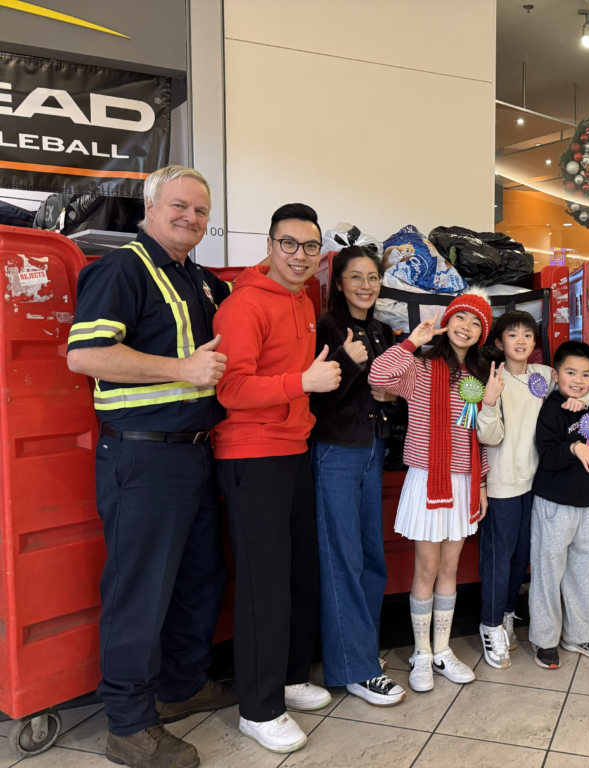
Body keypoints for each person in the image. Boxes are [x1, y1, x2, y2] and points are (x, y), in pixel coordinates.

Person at [66, 165, 237, 768]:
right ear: (151, 206)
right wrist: (182, 370)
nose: (191, 217)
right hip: (141, 456)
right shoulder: (120, 269)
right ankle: (127, 723)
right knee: (139, 594)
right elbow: (85, 355)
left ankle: (182, 685)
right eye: (180, 206)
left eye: (201, 211)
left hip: (194, 452)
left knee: (198, 579)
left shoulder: (199, 280)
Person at [213, 203, 337, 753]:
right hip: (250, 455)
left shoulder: (305, 299)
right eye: (289, 244)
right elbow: (230, 390)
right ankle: (258, 709)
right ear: (269, 245)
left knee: (297, 573)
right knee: (264, 583)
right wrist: (303, 381)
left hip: (293, 449)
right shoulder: (242, 306)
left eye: (310, 247)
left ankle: (288, 678)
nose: (300, 256)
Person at [368, 289, 493, 693]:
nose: (467, 328)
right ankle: (421, 653)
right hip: (428, 478)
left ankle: (443, 649)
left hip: (463, 481)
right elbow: (378, 376)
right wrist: (411, 341)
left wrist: (483, 483)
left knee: (450, 569)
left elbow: (477, 437)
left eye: (476, 323)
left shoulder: (477, 377)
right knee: (425, 567)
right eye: (462, 319)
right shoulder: (421, 367)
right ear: (448, 320)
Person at [309, 245, 405, 707]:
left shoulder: (384, 330)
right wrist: (347, 362)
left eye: (373, 277)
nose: (366, 286)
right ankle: (355, 668)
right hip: (336, 454)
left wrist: (392, 396)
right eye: (356, 277)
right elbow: (316, 401)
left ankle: (361, 652)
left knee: (371, 557)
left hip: (372, 450)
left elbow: (391, 390)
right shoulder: (327, 328)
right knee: (342, 559)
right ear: (339, 282)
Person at [475, 311, 589, 668]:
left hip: (537, 485)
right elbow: (487, 436)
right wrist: (490, 402)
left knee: (522, 557)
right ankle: (490, 624)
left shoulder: (542, 377)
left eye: (528, 334)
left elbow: (575, 389)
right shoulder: (493, 379)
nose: (521, 341)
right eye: (513, 335)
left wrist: (581, 403)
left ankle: (509, 614)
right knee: (498, 559)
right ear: (499, 343)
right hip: (503, 484)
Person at [529, 340, 589, 670]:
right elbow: (548, 455)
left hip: (588, 507)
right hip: (554, 505)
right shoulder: (550, 408)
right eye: (570, 372)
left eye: (586, 374)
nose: (578, 380)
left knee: (583, 574)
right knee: (547, 574)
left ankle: (580, 634)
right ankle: (544, 640)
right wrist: (574, 448)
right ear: (556, 374)